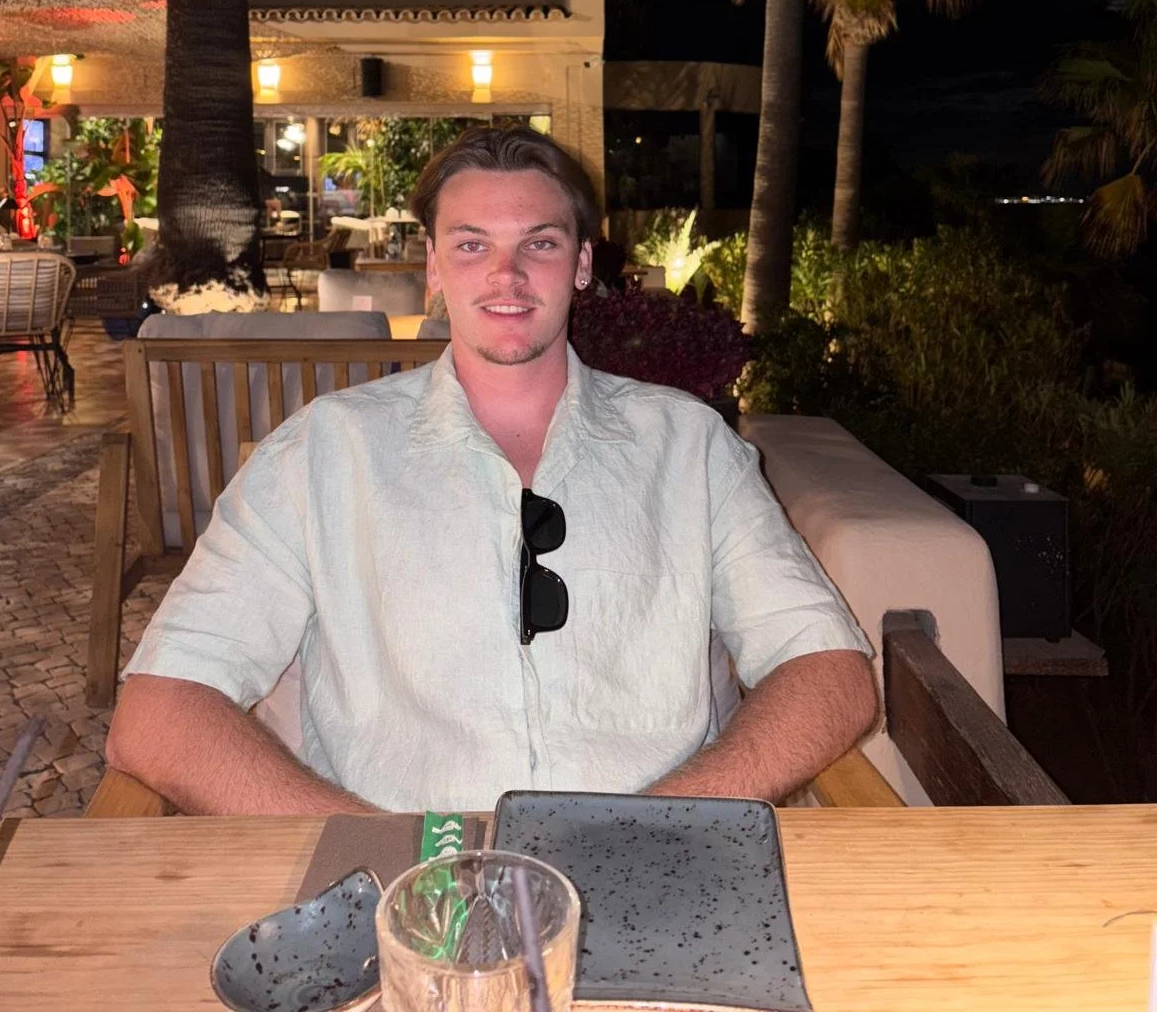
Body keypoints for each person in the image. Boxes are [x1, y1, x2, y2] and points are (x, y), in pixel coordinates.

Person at [107, 127, 877, 814]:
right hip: (398, 884)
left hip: (654, 864)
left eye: (539, 244)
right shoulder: (322, 455)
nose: (507, 276)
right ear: (434, 265)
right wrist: (382, 854)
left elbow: (830, 671)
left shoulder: (690, 448)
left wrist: (658, 825)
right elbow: (159, 709)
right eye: (472, 245)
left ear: (581, 264)